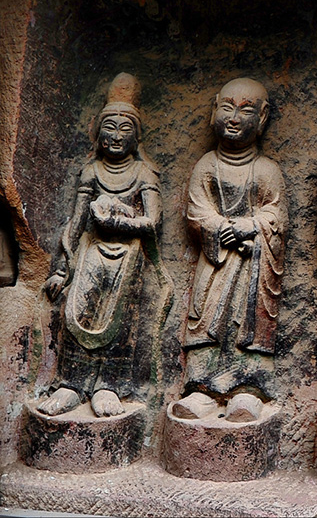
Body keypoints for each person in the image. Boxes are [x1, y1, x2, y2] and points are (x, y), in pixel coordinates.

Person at [40, 73, 170, 418]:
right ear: (97, 133)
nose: (115, 136)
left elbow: (153, 222)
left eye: (124, 129)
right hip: (89, 253)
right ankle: (70, 383)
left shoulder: (145, 174)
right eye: (108, 128)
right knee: (77, 312)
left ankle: (108, 387)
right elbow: (76, 221)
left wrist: (119, 220)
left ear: (136, 136)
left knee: (120, 323)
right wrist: (61, 270)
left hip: (128, 259)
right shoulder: (91, 171)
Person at [173, 78, 287, 423]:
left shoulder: (267, 170)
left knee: (247, 323)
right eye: (227, 107)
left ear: (262, 118)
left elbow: (276, 214)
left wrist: (250, 226)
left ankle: (247, 391)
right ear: (214, 111)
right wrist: (221, 227)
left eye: (246, 109)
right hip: (217, 261)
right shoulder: (208, 165)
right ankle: (201, 390)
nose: (234, 117)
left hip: (254, 264)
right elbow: (197, 210)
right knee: (207, 320)